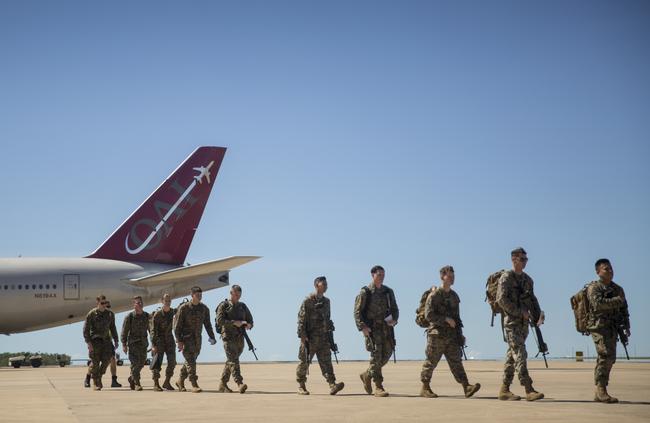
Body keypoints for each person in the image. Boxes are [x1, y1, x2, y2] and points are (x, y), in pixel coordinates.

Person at [419, 266, 480, 398]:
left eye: (453, 276)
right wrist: (445, 319)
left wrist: (460, 333)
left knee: (456, 362)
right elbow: (428, 315)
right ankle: (425, 387)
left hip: (452, 336)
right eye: (449, 276)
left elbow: (457, 318)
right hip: (437, 335)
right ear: (442, 277)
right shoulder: (434, 295)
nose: (452, 278)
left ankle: (466, 386)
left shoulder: (454, 296)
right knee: (431, 361)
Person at [496, 248, 544, 401]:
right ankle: (528, 389)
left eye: (526, 259)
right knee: (520, 353)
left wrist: (539, 315)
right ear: (514, 260)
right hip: (511, 323)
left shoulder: (528, 280)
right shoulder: (506, 278)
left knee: (512, 356)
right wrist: (518, 312)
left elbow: (533, 299)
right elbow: (501, 300)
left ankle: (504, 389)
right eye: (522, 259)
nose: (525, 262)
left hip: (524, 324)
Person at [587, 258, 630, 403]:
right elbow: (597, 304)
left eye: (611, 268)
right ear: (598, 272)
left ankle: (600, 390)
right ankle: (601, 389)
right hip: (598, 327)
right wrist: (617, 301)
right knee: (605, 355)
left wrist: (626, 326)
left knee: (611, 357)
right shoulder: (594, 288)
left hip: (613, 327)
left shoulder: (618, 289)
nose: (610, 271)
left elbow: (624, 309)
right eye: (606, 269)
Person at [354, 265, 399, 397]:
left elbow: (395, 308)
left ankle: (367, 374)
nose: (382, 277)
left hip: (386, 328)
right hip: (372, 329)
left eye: (383, 275)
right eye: (379, 275)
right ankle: (378, 386)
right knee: (376, 355)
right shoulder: (366, 292)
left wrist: (395, 320)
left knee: (387, 354)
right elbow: (357, 311)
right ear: (372, 275)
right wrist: (363, 327)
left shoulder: (388, 292)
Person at [295, 276, 345, 395]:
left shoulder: (327, 302)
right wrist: (302, 336)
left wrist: (330, 333)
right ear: (316, 285)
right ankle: (301, 385)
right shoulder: (308, 301)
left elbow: (327, 318)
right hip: (310, 338)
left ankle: (332, 384)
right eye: (324, 284)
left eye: (327, 284)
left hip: (323, 338)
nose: (326, 286)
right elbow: (301, 319)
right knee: (304, 362)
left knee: (327, 362)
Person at [174, 286, 217, 393]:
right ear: (192, 295)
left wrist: (212, 337)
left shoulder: (204, 309)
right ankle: (194, 383)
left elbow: (208, 324)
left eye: (200, 295)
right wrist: (179, 341)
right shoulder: (184, 308)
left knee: (190, 361)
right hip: (186, 339)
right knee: (191, 361)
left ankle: (180, 380)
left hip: (198, 340)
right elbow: (177, 326)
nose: (199, 297)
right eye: (197, 295)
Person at [215, 285, 254, 394]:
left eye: (239, 295)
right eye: (235, 294)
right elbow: (219, 321)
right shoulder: (224, 305)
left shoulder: (243, 306)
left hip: (240, 337)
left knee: (231, 360)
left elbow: (250, 320)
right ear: (231, 293)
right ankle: (239, 383)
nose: (237, 296)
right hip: (228, 337)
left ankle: (222, 384)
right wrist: (233, 323)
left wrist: (249, 325)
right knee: (233, 360)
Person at [83, 295, 119, 390]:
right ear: (98, 303)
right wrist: (89, 343)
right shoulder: (91, 314)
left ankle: (98, 377)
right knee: (95, 363)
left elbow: (113, 328)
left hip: (106, 341)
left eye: (105, 303)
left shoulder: (110, 314)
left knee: (106, 361)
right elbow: (85, 330)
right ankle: (96, 382)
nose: (104, 305)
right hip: (95, 342)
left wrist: (116, 340)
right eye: (102, 303)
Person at [121, 296, 150, 391]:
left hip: (143, 344)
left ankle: (132, 378)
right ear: (134, 305)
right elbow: (124, 331)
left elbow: (151, 330)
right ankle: (137, 383)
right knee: (135, 363)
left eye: (141, 302)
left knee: (141, 363)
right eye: (138, 303)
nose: (140, 304)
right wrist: (124, 344)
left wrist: (154, 343)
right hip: (133, 344)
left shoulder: (146, 316)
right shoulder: (129, 317)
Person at [150, 293, 177, 391]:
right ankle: (156, 384)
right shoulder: (157, 314)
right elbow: (153, 330)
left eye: (169, 301)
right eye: (166, 300)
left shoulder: (173, 312)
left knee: (172, 362)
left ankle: (167, 382)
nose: (168, 302)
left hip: (169, 340)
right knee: (157, 363)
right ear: (162, 301)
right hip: (159, 341)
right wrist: (153, 344)